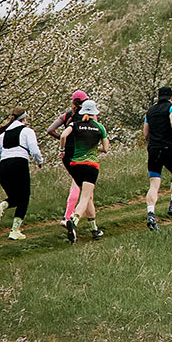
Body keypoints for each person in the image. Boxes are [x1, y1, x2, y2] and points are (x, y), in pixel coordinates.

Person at [0, 110, 44, 240]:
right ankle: (15, 230)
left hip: (3, 166)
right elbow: (34, 150)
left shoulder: (3, 134)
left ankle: (1, 205)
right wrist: (39, 161)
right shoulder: (27, 131)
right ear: (24, 119)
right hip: (19, 164)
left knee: (15, 198)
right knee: (24, 198)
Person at [61, 100, 109, 242]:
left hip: (75, 165)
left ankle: (94, 229)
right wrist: (95, 149)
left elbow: (63, 136)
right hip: (91, 166)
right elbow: (106, 149)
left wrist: (62, 150)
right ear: (94, 113)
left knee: (88, 197)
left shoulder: (75, 124)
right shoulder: (99, 127)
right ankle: (73, 221)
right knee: (85, 197)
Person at [142, 86, 172, 229]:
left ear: (158, 97)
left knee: (154, 183)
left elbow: (145, 133)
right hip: (168, 147)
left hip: (153, 150)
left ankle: (151, 214)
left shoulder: (150, 111)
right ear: (171, 97)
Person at [48, 89, 89, 223]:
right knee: (82, 185)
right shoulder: (88, 115)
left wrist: (63, 140)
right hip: (82, 152)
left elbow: (50, 130)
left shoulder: (67, 116)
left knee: (76, 182)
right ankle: (72, 217)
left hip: (68, 152)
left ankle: (72, 215)